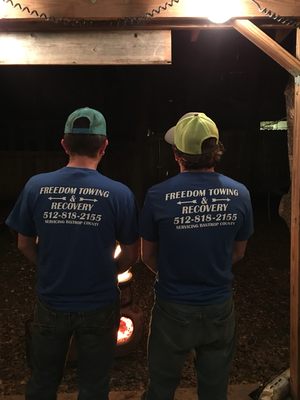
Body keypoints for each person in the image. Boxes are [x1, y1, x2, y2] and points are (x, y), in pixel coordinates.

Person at [5, 107, 139, 400]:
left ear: (64, 144)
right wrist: (109, 271)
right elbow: (131, 253)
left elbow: (23, 243)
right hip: (100, 303)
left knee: (42, 381)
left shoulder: (36, 187)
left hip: (52, 300)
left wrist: (49, 266)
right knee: (94, 385)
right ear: (104, 146)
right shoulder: (119, 194)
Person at [140, 112, 254, 400]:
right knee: (215, 389)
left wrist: (175, 274)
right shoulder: (240, 194)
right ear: (215, 150)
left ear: (178, 154)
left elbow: (147, 255)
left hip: (172, 306)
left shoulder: (157, 196)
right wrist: (210, 270)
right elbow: (239, 253)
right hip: (218, 305)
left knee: (161, 388)